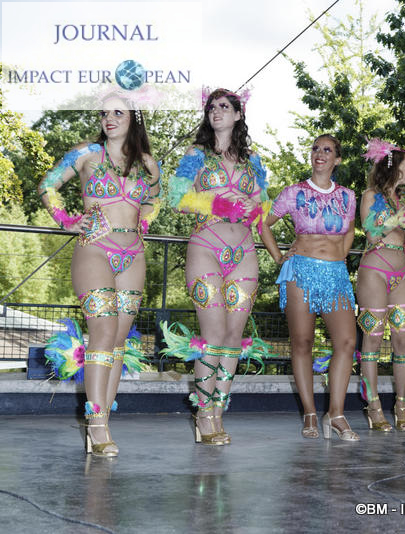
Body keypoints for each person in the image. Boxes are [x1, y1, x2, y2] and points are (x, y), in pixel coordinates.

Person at [38, 91, 161, 456]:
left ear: (133, 118)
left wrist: (146, 220)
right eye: (105, 113)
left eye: (118, 112)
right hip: (95, 247)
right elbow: (48, 186)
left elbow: (154, 200)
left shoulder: (148, 164)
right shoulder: (86, 154)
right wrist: (66, 219)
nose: (109, 118)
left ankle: (103, 418)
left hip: (133, 254)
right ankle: (96, 424)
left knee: (119, 339)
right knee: (103, 331)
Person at [168, 88, 269, 445]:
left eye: (224, 107)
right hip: (206, 246)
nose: (216, 112)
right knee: (211, 336)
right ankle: (202, 413)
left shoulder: (252, 161)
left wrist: (251, 205)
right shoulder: (196, 155)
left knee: (232, 339)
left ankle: (217, 411)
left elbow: (263, 207)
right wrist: (218, 203)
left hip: (244, 250)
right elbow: (176, 197)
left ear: (238, 115)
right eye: (212, 107)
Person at [260, 134, 359, 441]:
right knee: (301, 343)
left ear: (337, 159)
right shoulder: (293, 192)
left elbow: (350, 231)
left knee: (346, 341)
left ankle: (336, 414)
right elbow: (264, 223)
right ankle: (310, 413)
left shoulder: (348, 196)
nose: (320, 153)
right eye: (316, 148)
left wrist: (338, 257)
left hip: (335, 274)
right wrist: (279, 257)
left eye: (327, 149)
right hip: (299, 271)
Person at [356, 139, 405, 432]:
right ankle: (374, 405)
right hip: (375, 269)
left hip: (401, 271)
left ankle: (401, 404)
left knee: (403, 340)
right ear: (393, 168)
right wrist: (397, 221)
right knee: (372, 339)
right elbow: (370, 233)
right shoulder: (369, 195)